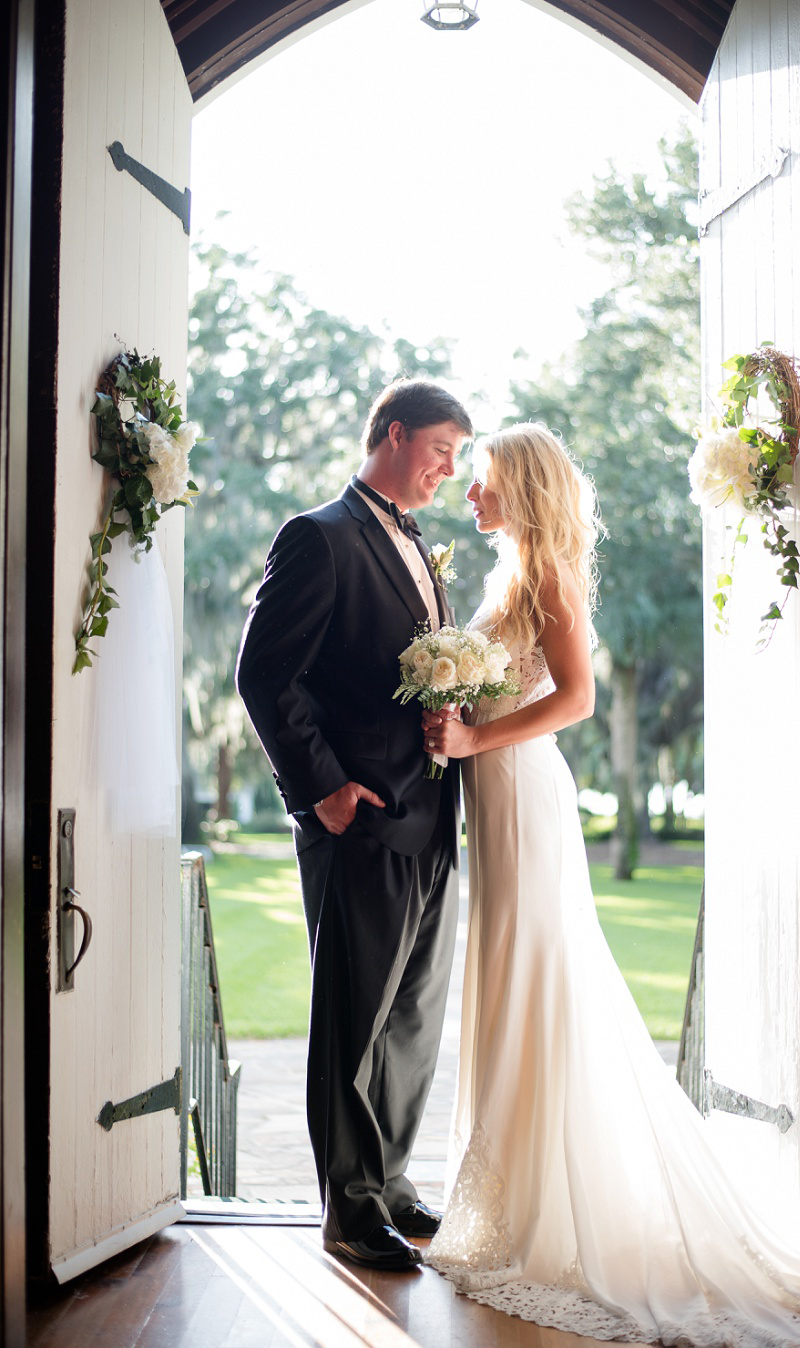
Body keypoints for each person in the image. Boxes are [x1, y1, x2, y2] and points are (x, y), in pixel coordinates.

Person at [421, 424, 800, 1346]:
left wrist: (473, 738)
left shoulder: (549, 578)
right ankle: (506, 1199)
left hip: (526, 800)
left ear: (523, 487)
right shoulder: (507, 576)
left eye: (484, 480)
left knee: (544, 980)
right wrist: (457, 709)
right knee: (510, 978)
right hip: (494, 803)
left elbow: (573, 702)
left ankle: (548, 1211)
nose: (470, 494)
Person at [236, 378, 473, 1272]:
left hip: (432, 818)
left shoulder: (418, 544)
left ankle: (392, 1183)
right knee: (354, 1018)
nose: (450, 471)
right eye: (442, 450)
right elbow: (264, 675)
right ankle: (347, 1206)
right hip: (360, 822)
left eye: (457, 459)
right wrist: (324, 792)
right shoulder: (318, 537)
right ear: (396, 432)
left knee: (412, 1017)